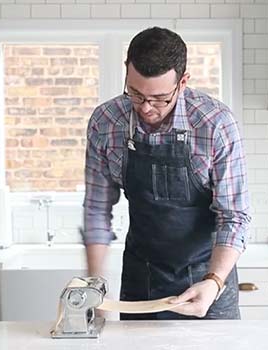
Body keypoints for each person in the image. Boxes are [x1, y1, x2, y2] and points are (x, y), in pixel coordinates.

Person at [82, 27, 251, 320]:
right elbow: (97, 208)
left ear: (183, 82)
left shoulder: (215, 125)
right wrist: (96, 283)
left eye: (160, 98)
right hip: (141, 280)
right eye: (135, 93)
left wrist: (213, 282)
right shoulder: (106, 122)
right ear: (126, 71)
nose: (146, 107)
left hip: (208, 278)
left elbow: (234, 215)